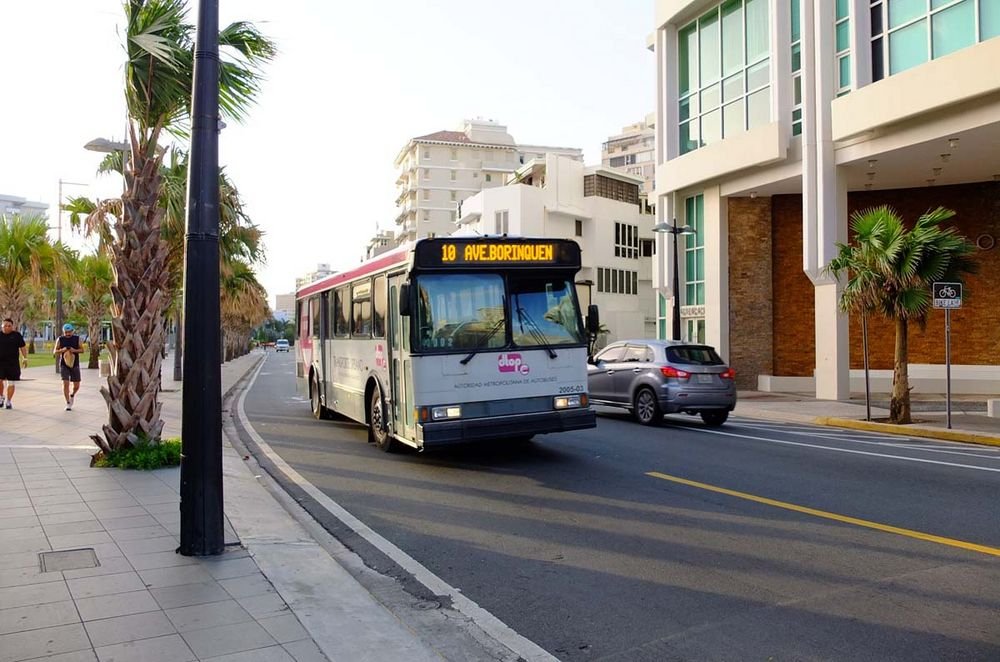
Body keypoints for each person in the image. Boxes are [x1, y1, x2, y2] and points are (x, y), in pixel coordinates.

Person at [54, 323, 84, 411]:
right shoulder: (60, 339)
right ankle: (67, 402)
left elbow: (82, 350)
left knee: (77, 385)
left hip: (75, 364)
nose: (67, 334)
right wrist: (62, 350)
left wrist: (74, 350)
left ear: (72, 331)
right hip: (64, 364)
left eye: (69, 332)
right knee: (65, 383)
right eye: (66, 332)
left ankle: (72, 394)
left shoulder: (77, 339)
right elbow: (55, 351)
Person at [0, 318, 28, 410]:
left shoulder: (16, 335)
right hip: (1, 363)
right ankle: (1, 397)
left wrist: (25, 358)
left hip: (12, 363)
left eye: (9, 326)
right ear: (2, 326)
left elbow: (23, 347)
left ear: (12, 327)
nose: (7, 327)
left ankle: (8, 401)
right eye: (5, 326)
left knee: (11, 382)